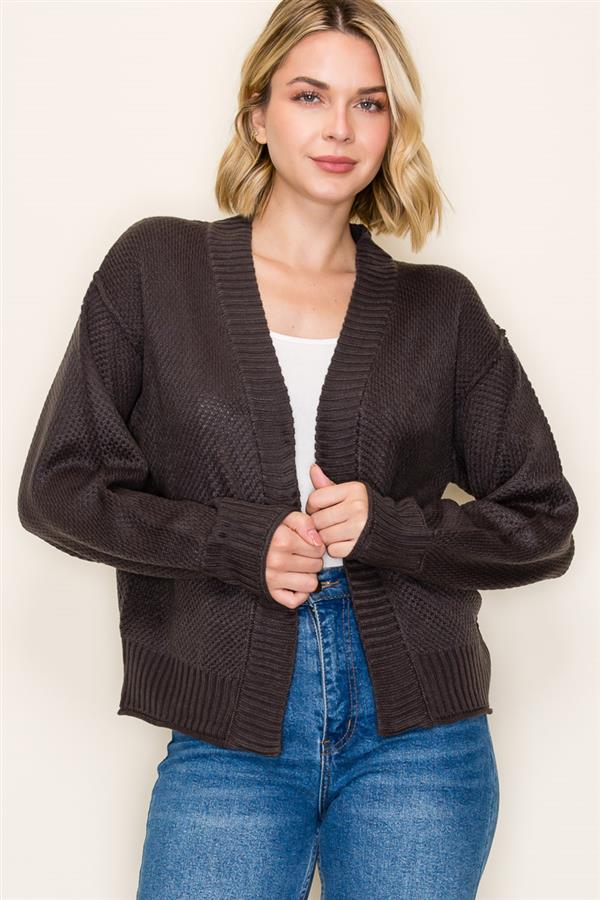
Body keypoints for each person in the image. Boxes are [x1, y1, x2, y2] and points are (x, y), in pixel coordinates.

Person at [17, 1, 579, 897]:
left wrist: (391, 529)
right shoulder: (156, 268)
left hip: (420, 743)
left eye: (369, 103)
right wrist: (228, 540)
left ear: (394, 126)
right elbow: (59, 486)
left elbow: (543, 520)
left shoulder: (442, 309)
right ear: (258, 115)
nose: (340, 127)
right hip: (230, 733)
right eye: (309, 95)